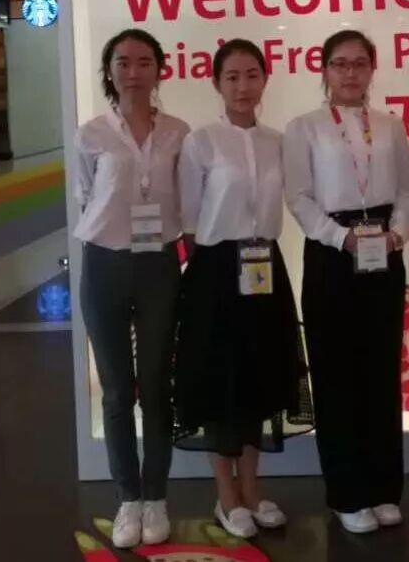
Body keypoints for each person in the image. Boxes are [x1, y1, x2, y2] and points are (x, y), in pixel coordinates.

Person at [175, 39, 312, 539]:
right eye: (231, 76)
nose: (242, 86)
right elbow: (190, 222)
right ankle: (226, 495)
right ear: (216, 82)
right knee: (220, 381)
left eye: (252, 75)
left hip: (264, 268)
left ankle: (252, 489)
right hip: (215, 270)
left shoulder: (279, 140)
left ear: (265, 79)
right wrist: (211, 268)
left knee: (259, 377)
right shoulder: (202, 142)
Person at [283, 30, 409, 535]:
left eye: (360, 63)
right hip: (332, 254)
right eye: (340, 64)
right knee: (336, 373)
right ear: (325, 70)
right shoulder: (304, 128)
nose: (350, 73)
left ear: (373, 68)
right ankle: (346, 494)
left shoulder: (389, 126)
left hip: (384, 250)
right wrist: (342, 238)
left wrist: (398, 231)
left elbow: (406, 190)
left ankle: (383, 488)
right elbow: (298, 197)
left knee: (380, 371)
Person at [74, 29, 188, 549]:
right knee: (118, 390)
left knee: (157, 385)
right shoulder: (92, 134)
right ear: (110, 70)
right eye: (123, 62)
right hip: (104, 263)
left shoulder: (179, 132)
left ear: (160, 69)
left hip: (159, 263)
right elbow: (85, 197)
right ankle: (128, 497)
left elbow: (184, 198)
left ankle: (157, 496)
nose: (134, 72)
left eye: (144, 62)